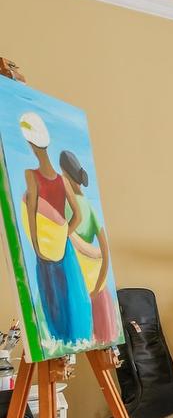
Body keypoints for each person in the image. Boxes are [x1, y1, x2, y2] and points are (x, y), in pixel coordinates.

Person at [20, 112, 92, 348]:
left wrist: (37, 246)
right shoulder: (63, 179)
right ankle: (73, 340)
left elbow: (31, 212)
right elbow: (78, 216)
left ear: (31, 144)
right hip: (63, 246)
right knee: (69, 294)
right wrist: (63, 235)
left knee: (54, 296)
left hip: (46, 249)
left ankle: (58, 339)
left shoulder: (31, 175)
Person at [59, 150, 116, 345]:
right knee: (100, 340)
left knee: (72, 338)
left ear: (64, 173)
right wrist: (99, 285)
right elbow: (105, 251)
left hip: (77, 277)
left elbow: (61, 239)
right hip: (96, 280)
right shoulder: (90, 206)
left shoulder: (65, 204)